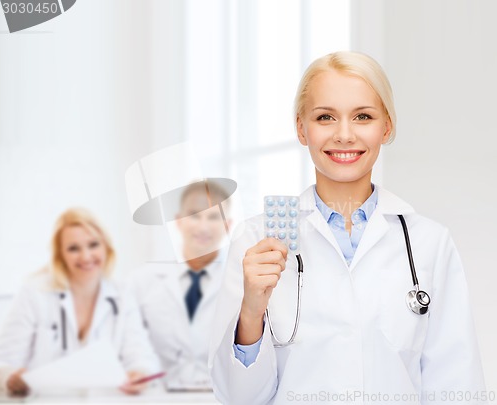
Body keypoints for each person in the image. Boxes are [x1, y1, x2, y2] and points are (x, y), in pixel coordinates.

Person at [209, 51, 487, 404]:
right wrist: (251, 311)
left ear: (386, 127)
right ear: (301, 128)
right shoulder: (256, 241)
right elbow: (237, 397)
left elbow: (456, 385)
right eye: (325, 117)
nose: (344, 135)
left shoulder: (428, 243)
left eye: (363, 117)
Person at [0, 208, 160, 396]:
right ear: (60, 255)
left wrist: (139, 373)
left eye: (93, 245)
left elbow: (141, 355)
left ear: (106, 247)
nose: (86, 256)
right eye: (73, 248)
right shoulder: (34, 294)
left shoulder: (122, 294)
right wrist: (10, 378)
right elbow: (2, 361)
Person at [131, 180, 231, 390]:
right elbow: (131, 343)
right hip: (158, 397)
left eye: (213, 217)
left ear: (227, 225)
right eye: (194, 215)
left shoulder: (240, 282)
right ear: (178, 221)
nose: (203, 226)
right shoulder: (142, 281)